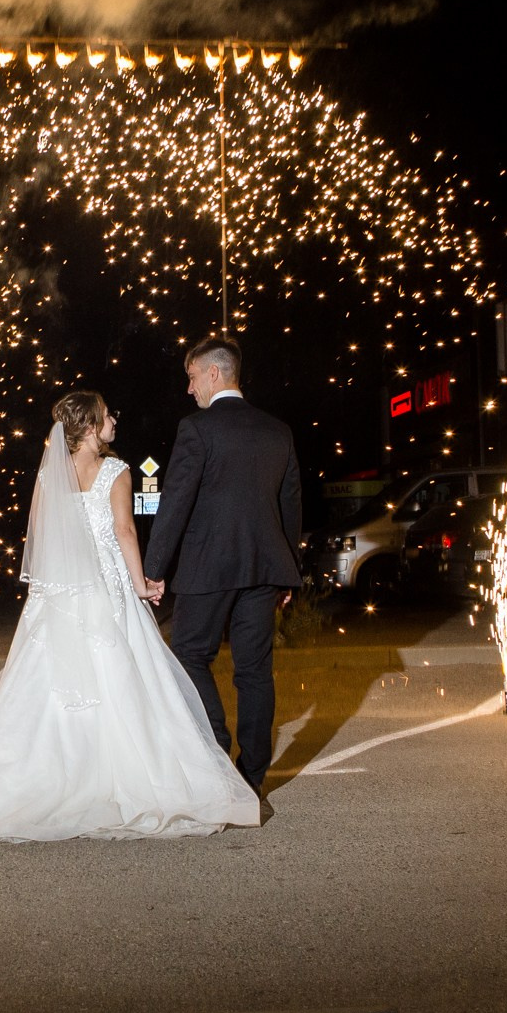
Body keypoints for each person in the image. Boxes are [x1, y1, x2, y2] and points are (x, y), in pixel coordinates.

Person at [0, 391, 262, 841]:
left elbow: (38, 532)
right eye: (108, 414)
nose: (115, 419)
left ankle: (30, 781)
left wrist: (50, 586)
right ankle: (126, 780)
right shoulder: (116, 470)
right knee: (125, 680)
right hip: (108, 589)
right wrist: (140, 583)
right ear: (92, 427)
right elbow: (124, 530)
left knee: (46, 685)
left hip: (59, 594)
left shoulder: (50, 474)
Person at [141, 337, 304, 797]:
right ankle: (252, 777)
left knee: (190, 654)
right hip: (265, 568)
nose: (189, 389)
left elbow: (175, 502)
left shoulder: (197, 429)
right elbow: (290, 504)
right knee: (254, 670)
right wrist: (287, 568)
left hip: (207, 567)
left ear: (214, 373)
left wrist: (154, 567)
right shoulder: (278, 431)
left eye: (192, 378)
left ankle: (215, 745)